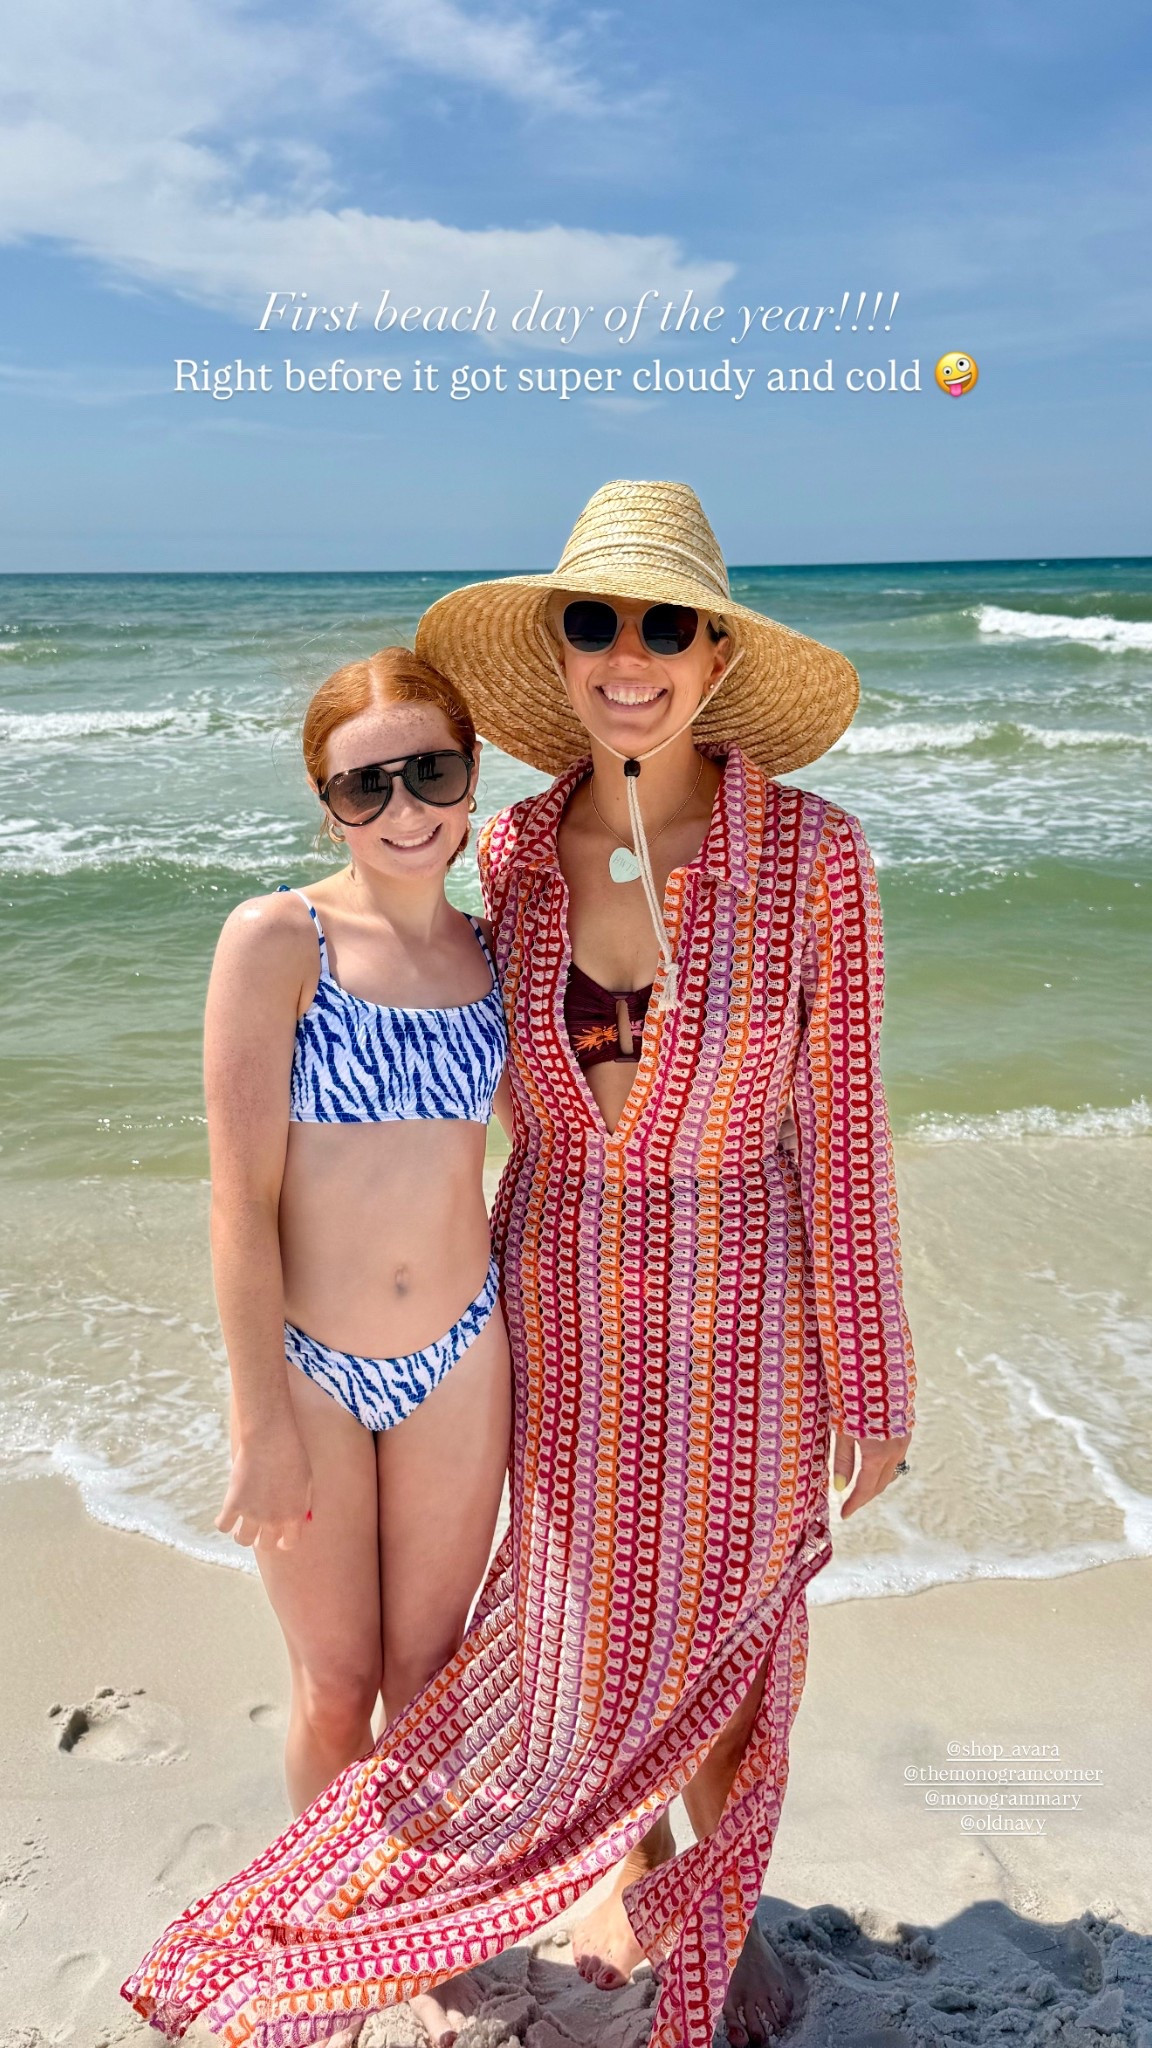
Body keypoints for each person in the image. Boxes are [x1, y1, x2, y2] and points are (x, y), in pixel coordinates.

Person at [122, 483, 914, 2048]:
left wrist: (872, 1375)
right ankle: (623, 1871)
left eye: (664, 624)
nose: (631, 655)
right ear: (556, 654)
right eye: (595, 623)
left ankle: (716, 1921)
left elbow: (846, 1134)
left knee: (730, 1630)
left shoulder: (817, 858)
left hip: (744, 1293)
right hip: (546, 1287)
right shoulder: (527, 860)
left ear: (713, 651)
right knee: (586, 1621)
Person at [204, 645, 510, 1814]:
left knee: (426, 1680)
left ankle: (418, 1948)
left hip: (460, 1359)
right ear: (327, 806)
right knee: (335, 1686)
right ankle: (333, 1925)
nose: (403, 808)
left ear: (472, 776)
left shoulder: (493, 952)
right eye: (363, 785)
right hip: (311, 1369)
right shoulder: (279, 939)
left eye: (429, 772)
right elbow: (239, 1201)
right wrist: (259, 1420)